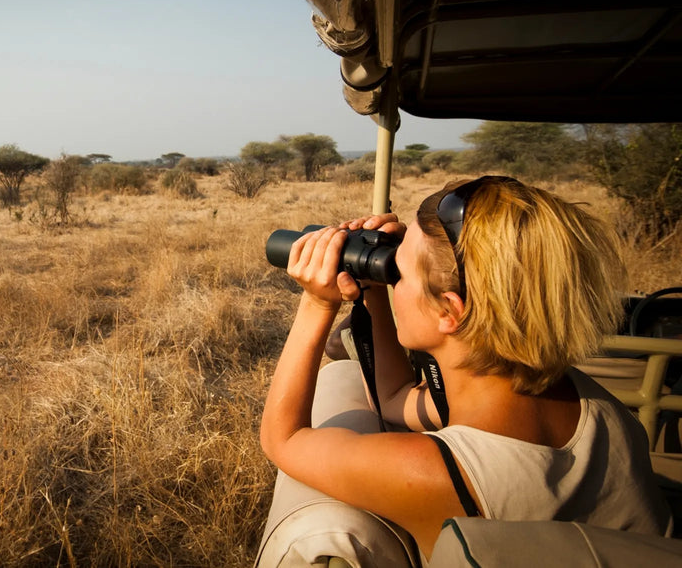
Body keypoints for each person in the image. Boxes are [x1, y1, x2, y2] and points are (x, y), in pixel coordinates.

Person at [259, 175, 672, 560]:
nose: (390, 275)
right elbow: (392, 399)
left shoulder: (440, 474)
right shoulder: (569, 392)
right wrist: (378, 289)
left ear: (450, 311)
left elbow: (284, 440)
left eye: (397, 271)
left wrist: (317, 304)